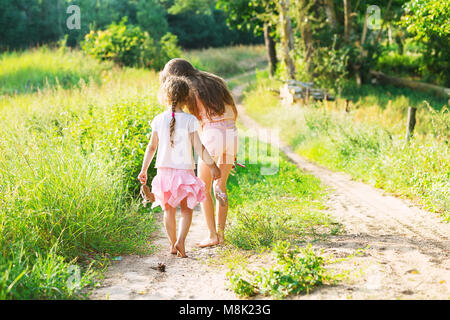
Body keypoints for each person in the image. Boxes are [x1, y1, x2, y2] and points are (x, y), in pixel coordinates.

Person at [138, 76, 221, 257]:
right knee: (186, 210)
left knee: (168, 210)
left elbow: (151, 147)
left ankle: (172, 245)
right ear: (186, 98)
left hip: (164, 172)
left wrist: (144, 169)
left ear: (165, 97)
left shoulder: (158, 119)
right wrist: (213, 166)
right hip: (185, 172)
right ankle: (181, 240)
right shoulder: (190, 120)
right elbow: (199, 147)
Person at [160, 58, 238, 247]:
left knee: (203, 188)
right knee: (220, 186)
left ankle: (212, 235)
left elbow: (191, 119)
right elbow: (233, 111)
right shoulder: (214, 80)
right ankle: (221, 233)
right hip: (232, 133)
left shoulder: (189, 87)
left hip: (212, 135)